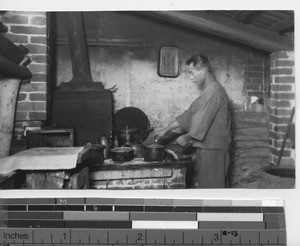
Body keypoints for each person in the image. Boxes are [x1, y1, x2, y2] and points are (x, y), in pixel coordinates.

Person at [154, 54, 231, 188]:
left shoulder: (213, 91)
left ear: (203, 70)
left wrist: (187, 137)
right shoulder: (208, 91)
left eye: (192, 72)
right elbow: (189, 115)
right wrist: (164, 130)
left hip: (214, 150)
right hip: (207, 148)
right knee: (207, 188)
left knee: (212, 191)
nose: (191, 77)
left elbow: (202, 120)